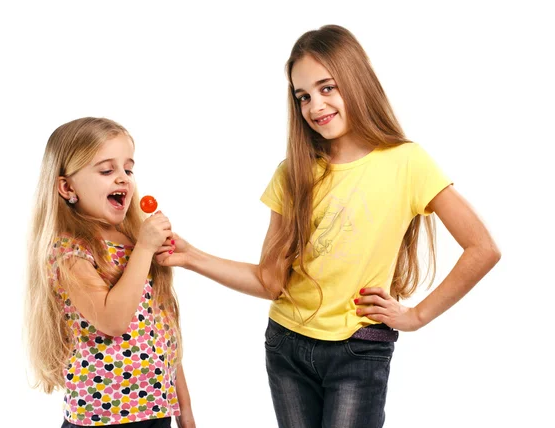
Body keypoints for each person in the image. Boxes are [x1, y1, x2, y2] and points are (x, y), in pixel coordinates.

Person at [155, 25, 501, 428]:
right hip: (286, 345)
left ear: (355, 81)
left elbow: (482, 248)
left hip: (359, 351)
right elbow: (270, 281)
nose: (315, 105)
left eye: (326, 88)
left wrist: (417, 315)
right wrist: (191, 256)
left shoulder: (407, 162)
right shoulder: (293, 173)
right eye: (303, 96)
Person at [25, 117, 195, 428]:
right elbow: (114, 321)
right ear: (67, 187)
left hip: (156, 409)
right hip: (104, 416)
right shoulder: (70, 251)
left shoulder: (132, 240)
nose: (124, 179)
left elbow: (165, 331)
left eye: (128, 169)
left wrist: (185, 411)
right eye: (107, 170)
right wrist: (144, 249)